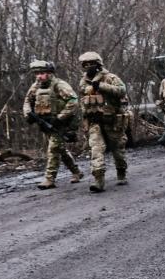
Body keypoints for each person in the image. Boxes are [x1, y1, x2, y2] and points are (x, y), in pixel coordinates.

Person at [21, 59, 83, 189]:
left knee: (53, 149)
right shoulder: (36, 86)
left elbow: (73, 101)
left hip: (60, 123)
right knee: (60, 149)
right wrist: (28, 114)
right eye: (36, 73)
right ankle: (77, 172)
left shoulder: (60, 85)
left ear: (49, 73)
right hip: (45, 123)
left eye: (42, 73)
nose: (39, 76)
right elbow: (27, 101)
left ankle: (50, 179)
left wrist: (60, 117)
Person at [77, 51, 130, 193]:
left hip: (112, 120)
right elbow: (83, 99)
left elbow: (122, 90)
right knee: (96, 149)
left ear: (98, 64)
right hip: (94, 121)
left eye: (91, 64)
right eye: (86, 64)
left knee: (117, 149)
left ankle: (121, 172)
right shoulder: (83, 81)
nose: (88, 67)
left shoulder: (110, 78)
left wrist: (100, 86)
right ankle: (98, 180)